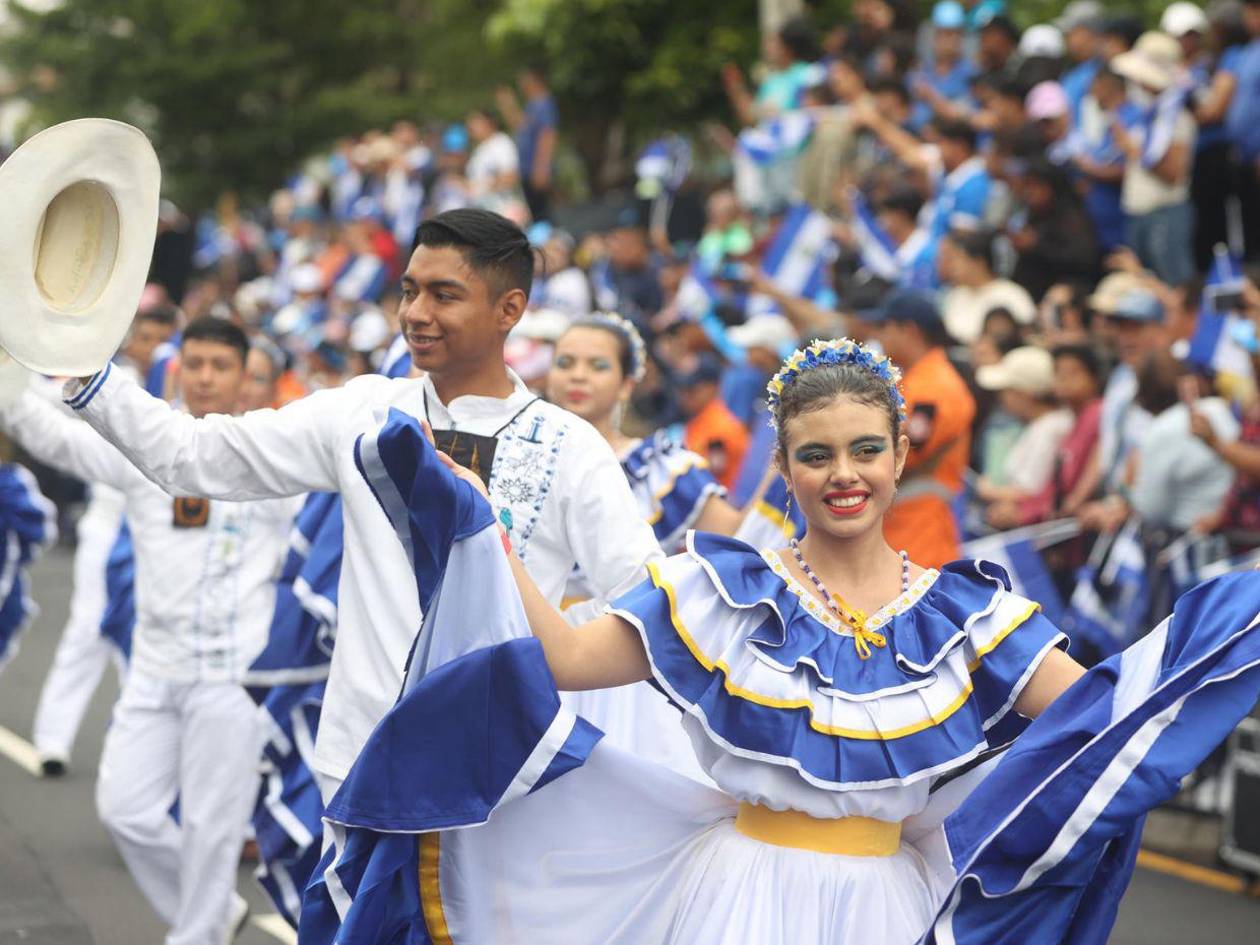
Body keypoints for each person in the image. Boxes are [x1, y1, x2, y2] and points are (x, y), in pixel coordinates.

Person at [367, 336, 1086, 943]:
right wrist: (487, 525)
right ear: (784, 466)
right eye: (816, 455)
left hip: (886, 911)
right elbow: (569, 658)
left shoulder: (964, 614)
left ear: (899, 455)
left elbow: (1100, 712)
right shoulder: (724, 592)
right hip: (743, 904)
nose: (844, 475)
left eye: (866, 449)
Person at [62, 208, 660, 808]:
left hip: (494, 781)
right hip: (358, 761)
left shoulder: (567, 446)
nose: (416, 313)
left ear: (509, 309)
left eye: (444, 295)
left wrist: (549, 660)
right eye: (409, 290)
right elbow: (197, 456)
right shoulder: (364, 413)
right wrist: (85, 367)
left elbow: (645, 605)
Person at [2, 318, 304, 945]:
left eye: (221, 366)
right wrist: (8, 372)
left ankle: (197, 932)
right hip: (155, 666)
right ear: (176, 370)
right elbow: (52, 438)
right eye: (194, 364)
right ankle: (214, 914)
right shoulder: (146, 449)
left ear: (244, 378)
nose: (205, 377)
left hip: (233, 677)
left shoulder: (272, 455)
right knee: (125, 811)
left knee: (212, 829)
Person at [30, 306, 177, 776]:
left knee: (147, 639)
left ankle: (138, 746)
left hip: (162, 533)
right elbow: (53, 399)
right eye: (146, 337)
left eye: (162, 339)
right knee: (88, 628)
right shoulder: (110, 379)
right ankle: (52, 740)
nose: (152, 347)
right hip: (109, 526)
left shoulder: (182, 389)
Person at [863, 290, 975, 569]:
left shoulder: (934, 387)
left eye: (885, 326)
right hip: (905, 518)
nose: (879, 335)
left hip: (920, 525)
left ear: (909, 330)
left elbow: (906, 455)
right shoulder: (920, 378)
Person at [1112, 31, 1198, 286]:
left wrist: (1132, 150)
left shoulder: (1177, 119)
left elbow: (1173, 174)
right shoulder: (1148, 116)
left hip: (1164, 216)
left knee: (1173, 286)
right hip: (1140, 215)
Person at [989, 343, 1104, 528]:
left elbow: (1071, 493)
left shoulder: (1096, 414)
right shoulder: (1075, 417)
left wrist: (1024, 514)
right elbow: (1054, 487)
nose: (1064, 380)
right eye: (1058, 373)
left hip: (1071, 526)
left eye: (1073, 373)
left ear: (1094, 378)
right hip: (1050, 521)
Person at [972, 346, 1075, 523]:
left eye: (1006, 391)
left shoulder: (1051, 429)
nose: (1002, 398)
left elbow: (1032, 491)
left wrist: (988, 490)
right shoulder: (1040, 425)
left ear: (1023, 394)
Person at [937, 226, 1036, 343]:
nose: (953, 267)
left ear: (979, 262)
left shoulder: (1011, 294)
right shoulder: (955, 296)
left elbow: (1026, 335)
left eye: (960, 259)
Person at [677, 354, 750, 491]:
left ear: (713, 387)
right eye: (681, 390)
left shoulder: (719, 428)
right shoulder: (701, 418)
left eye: (691, 390)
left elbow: (708, 479)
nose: (684, 396)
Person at [496, 66, 558, 222]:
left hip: (536, 169)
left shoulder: (544, 103)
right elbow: (521, 126)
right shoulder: (532, 105)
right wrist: (508, 104)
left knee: (542, 213)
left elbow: (547, 135)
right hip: (527, 170)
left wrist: (542, 167)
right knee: (534, 212)